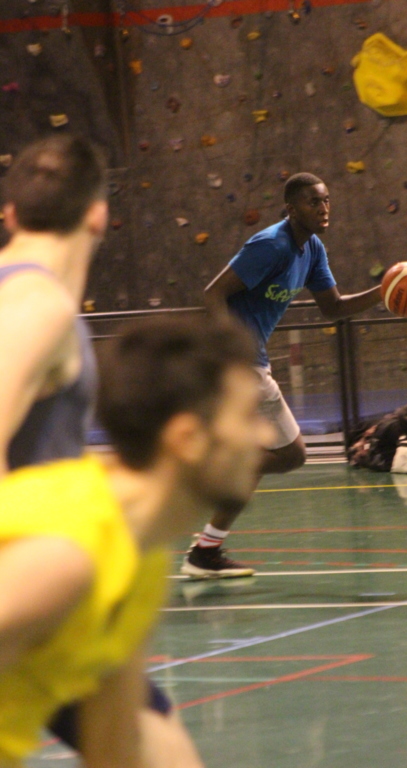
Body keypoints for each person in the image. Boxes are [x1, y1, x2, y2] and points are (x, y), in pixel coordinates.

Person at [0, 314, 273, 767]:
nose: (265, 435)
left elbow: (115, 746)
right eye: (247, 416)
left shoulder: (140, 556)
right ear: (188, 439)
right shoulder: (65, 554)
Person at [0, 135, 194, 763]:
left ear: (11, 214)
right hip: (29, 592)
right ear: (98, 214)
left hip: (56, 601)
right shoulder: (36, 305)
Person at [181, 172, 382, 579]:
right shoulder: (270, 245)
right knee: (291, 454)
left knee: (269, 457)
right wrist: (230, 354)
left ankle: (206, 550)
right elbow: (212, 293)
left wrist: (383, 292)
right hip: (239, 362)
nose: (323, 208)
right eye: (313, 202)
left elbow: (333, 308)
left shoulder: (314, 249)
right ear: (291, 209)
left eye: (326, 200)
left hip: (250, 361)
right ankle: (205, 481)